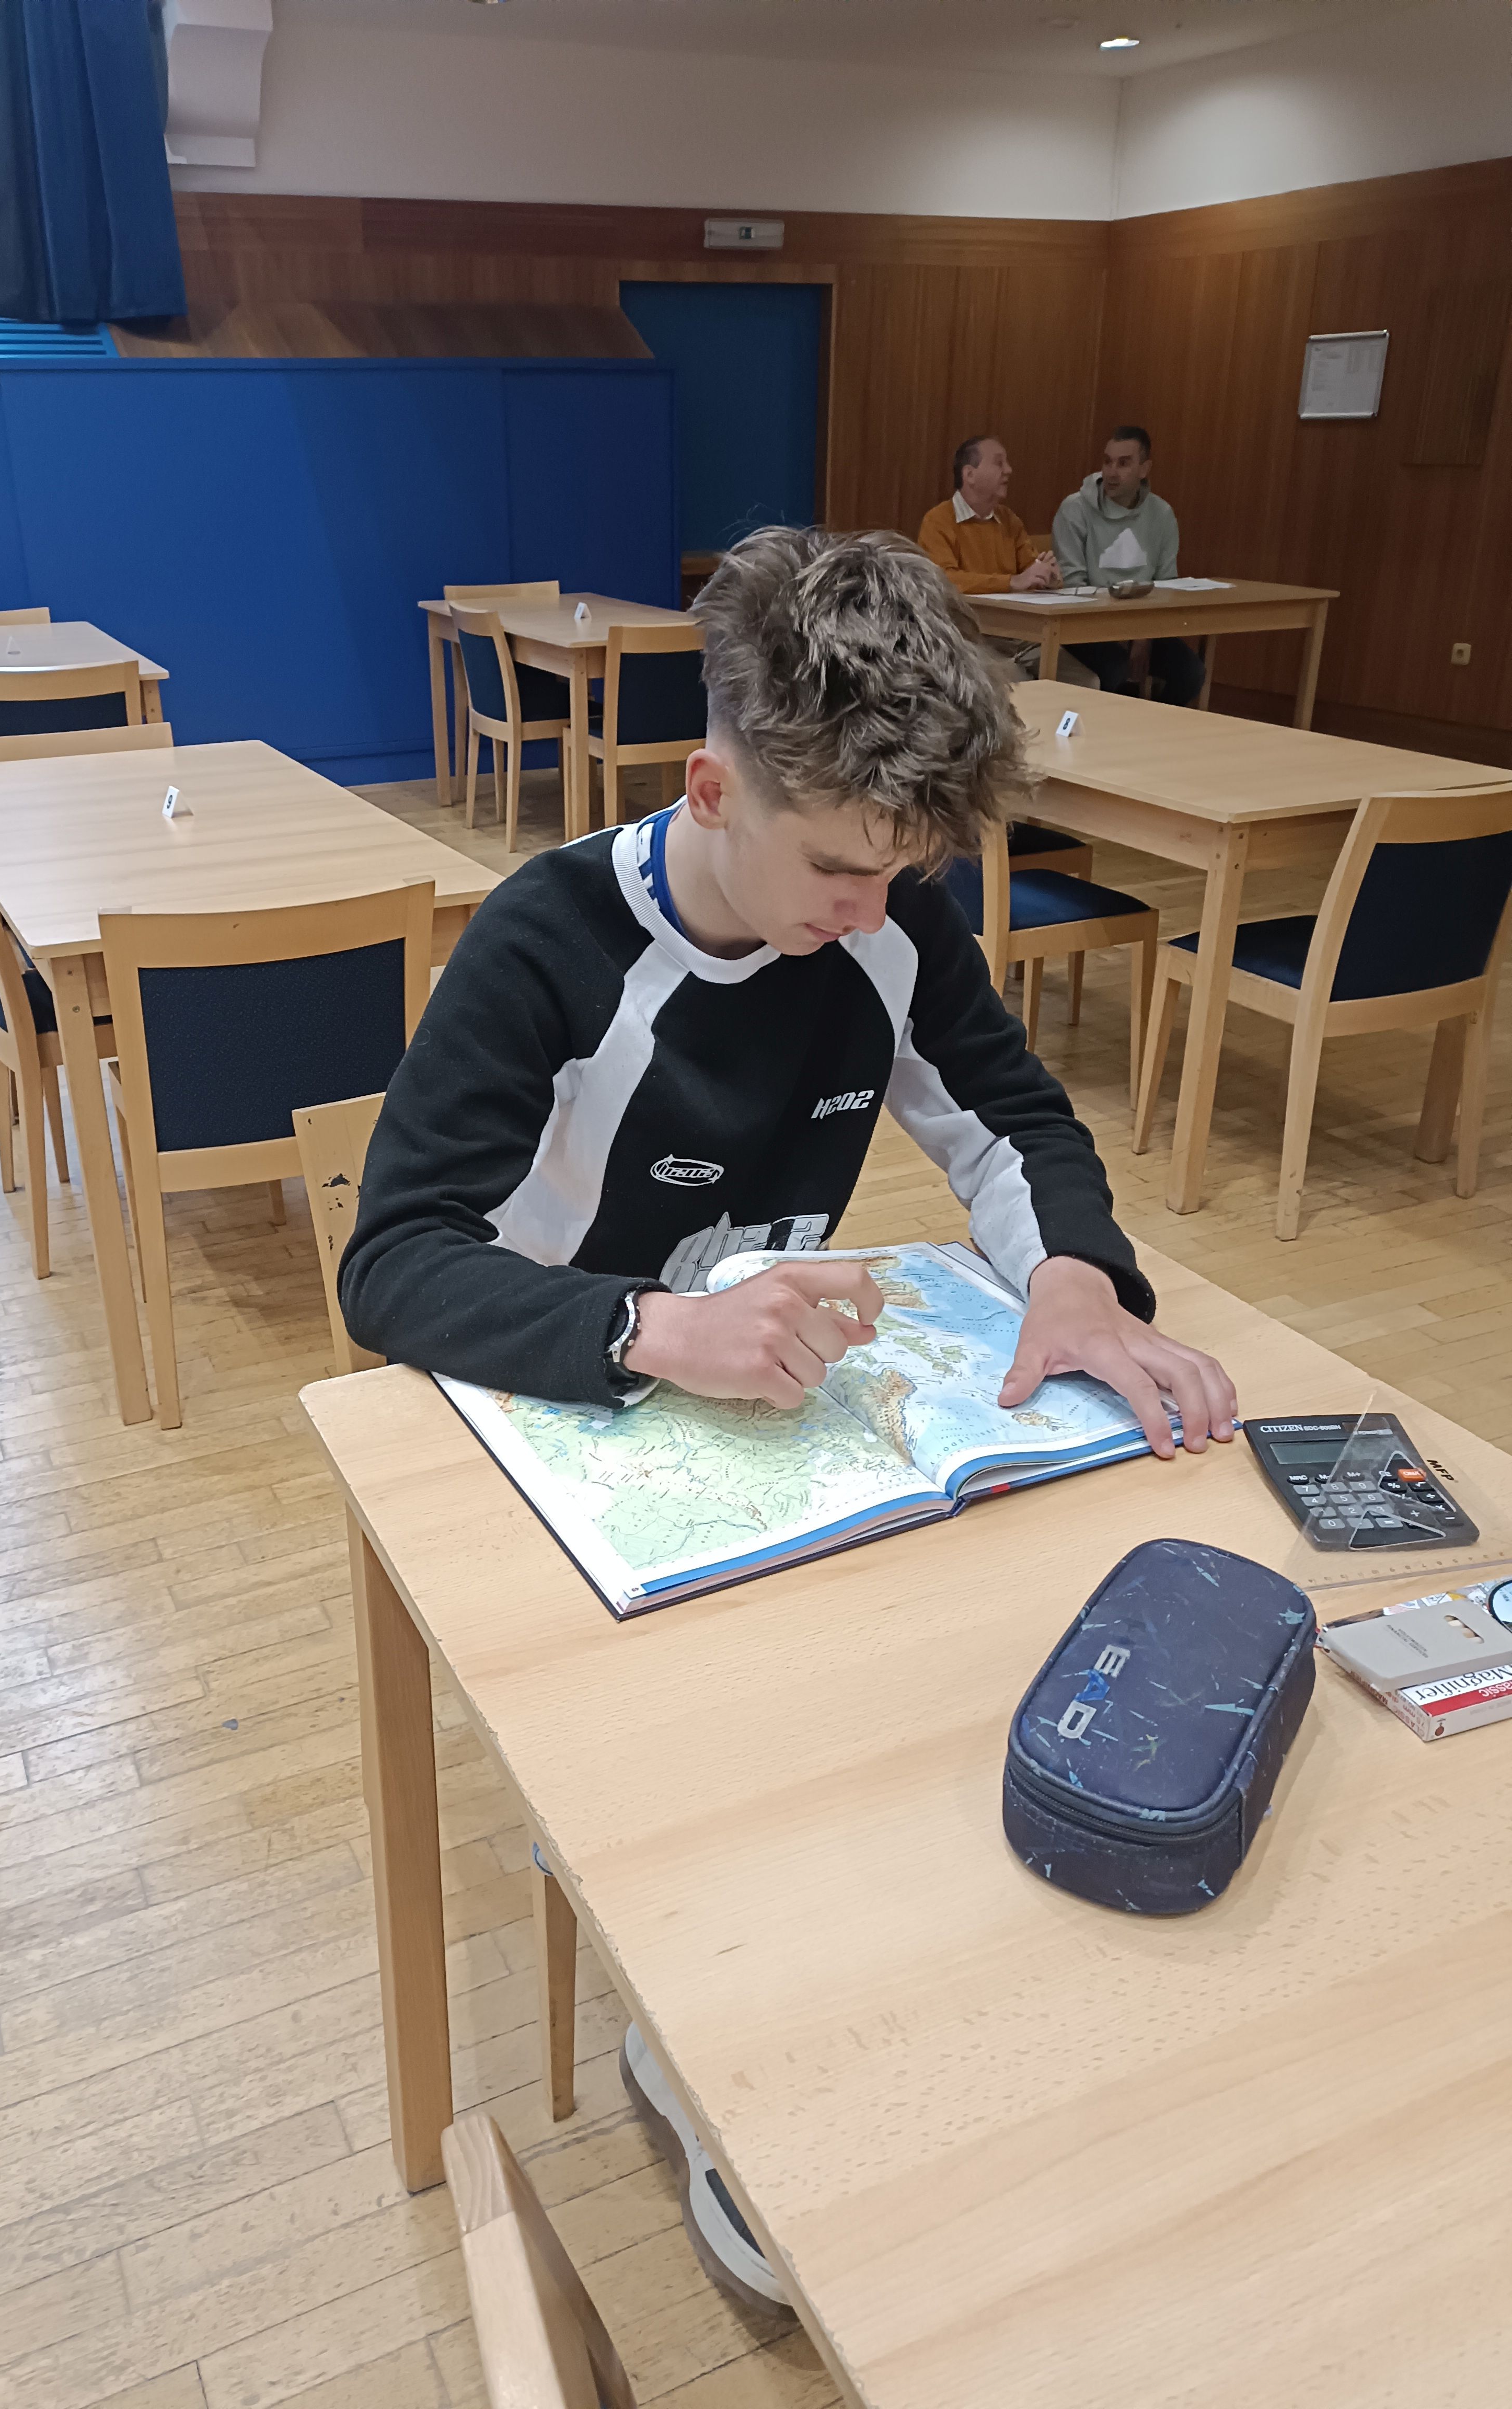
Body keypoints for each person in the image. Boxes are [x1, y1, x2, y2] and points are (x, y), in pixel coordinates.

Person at [340, 525, 1238, 2310]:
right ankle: (717, 2060)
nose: (869, 909)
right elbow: (393, 1264)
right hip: (559, 1411)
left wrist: (1075, 1276)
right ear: (710, 790)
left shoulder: (882, 913)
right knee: (717, 1760)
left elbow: (1008, 1116)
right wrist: (652, 1327)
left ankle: (892, 2034)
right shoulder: (546, 943)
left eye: (903, 873)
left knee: (939, 1683)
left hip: (772, 1412)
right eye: (835, 865)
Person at [917, 435, 1098, 689]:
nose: (1009, 470)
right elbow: (946, 580)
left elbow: (1030, 569)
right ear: (970, 474)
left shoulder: (1009, 520)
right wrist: (1012, 582)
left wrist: (1048, 575)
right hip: (972, 638)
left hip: (1023, 635)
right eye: (999, 463)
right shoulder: (938, 522)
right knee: (1021, 687)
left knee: (1086, 682)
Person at [1053, 425, 1206, 706]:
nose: (1111, 473)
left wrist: (1143, 636)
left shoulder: (1162, 514)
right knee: (1117, 672)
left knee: (1191, 673)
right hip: (1086, 628)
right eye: (1107, 462)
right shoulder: (1075, 509)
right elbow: (1073, 587)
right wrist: (1123, 634)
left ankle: (1156, 726)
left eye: (1123, 463)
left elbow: (1167, 587)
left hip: (1143, 628)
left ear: (1144, 469)